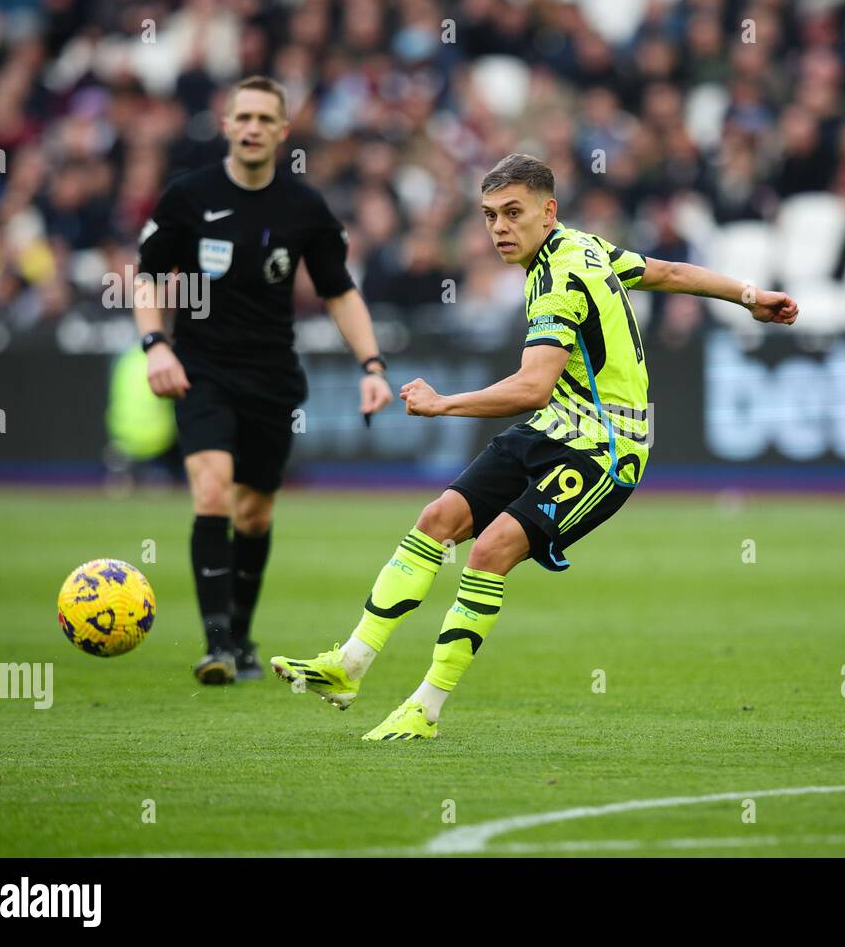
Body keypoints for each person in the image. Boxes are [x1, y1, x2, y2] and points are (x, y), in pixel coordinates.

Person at [271, 153, 798, 741]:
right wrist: (750, 295)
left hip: (607, 448)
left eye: (513, 213)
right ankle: (349, 666)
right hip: (556, 426)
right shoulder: (584, 246)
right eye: (490, 215)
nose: (498, 228)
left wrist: (444, 403)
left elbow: (530, 385)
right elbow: (667, 273)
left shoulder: (560, 279)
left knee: (489, 550)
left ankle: (426, 707)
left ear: (548, 212)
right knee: (437, 518)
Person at [134, 76, 394, 685]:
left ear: (283, 131)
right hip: (202, 371)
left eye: (264, 119)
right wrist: (154, 346)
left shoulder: (304, 208)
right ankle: (217, 645)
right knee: (211, 491)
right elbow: (145, 276)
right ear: (226, 125)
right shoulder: (188, 197)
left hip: (273, 376)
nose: (252, 128)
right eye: (242, 117)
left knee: (253, 513)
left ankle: (243, 640)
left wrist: (373, 366)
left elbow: (339, 291)